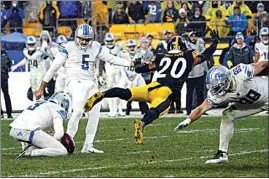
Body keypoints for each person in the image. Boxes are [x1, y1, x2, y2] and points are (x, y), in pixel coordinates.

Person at [84, 30, 220, 144]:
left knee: (126, 92)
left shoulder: (161, 56)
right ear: (183, 46)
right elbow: (206, 55)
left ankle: (102, 94)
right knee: (159, 110)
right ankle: (142, 124)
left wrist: (137, 64)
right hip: (166, 91)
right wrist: (214, 43)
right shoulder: (189, 55)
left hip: (152, 86)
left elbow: (142, 69)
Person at [35, 24, 134, 153]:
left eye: (87, 39)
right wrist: (41, 87)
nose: (84, 42)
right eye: (81, 39)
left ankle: (88, 146)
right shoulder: (68, 47)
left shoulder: (95, 47)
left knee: (95, 112)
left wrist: (130, 63)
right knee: (77, 111)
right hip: (75, 82)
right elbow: (54, 67)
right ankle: (67, 139)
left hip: (90, 83)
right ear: (76, 36)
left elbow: (112, 59)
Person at [174, 61, 269, 163]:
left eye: (218, 87)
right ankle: (222, 154)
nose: (217, 91)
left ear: (227, 79)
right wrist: (188, 120)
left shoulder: (240, 72)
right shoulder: (218, 94)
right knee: (227, 114)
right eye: (215, 88)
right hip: (254, 104)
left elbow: (262, 65)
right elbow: (202, 108)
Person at [9, 92, 70, 157]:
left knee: (32, 130)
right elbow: (59, 134)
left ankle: (26, 148)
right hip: (29, 131)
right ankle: (32, 152)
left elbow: (24, 121)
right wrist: (52, 139)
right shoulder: (57, 108)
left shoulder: (39, 103)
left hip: (14, 130)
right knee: (62, 150)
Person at [118, 39, 149, 116]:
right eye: (130, 46)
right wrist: (128, 81)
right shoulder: (123, 55)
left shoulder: (139, 54)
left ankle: (144, 109)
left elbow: (139, 69)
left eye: (133, 46)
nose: (132, 48)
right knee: (119, 90)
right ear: (127, 47)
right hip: (125, 75)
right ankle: (119, 109)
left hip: (137, 75)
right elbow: (122, 69)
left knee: (143, 90)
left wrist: (135, 80)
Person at [185, 32, 207, 115]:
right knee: (189, 93)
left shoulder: (200, 44)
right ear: (189, 37)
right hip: (190, 74)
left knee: (200, 92)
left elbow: (204, 54)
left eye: (194, 36)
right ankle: (188, 110)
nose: (193, 38)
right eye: (191, 36)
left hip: (199, 72)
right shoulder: (186, 45)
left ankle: (201, 110)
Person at [102, 33, 123, 117]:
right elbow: (101, 63)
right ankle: (112, 110)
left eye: (111, 41)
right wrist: (100, 74)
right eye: (108, 41)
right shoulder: (103, 49)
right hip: (109, 71)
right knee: (110, 91)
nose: (110, 43)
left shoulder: (118, 48)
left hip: (118, 71)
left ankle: (120, 109)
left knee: (120, 90)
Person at [1, 44, 13, 118]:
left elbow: (10, 65)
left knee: (6, 95)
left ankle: (9, 113)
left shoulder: (6, 55)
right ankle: (1, 113)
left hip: (4, 77)